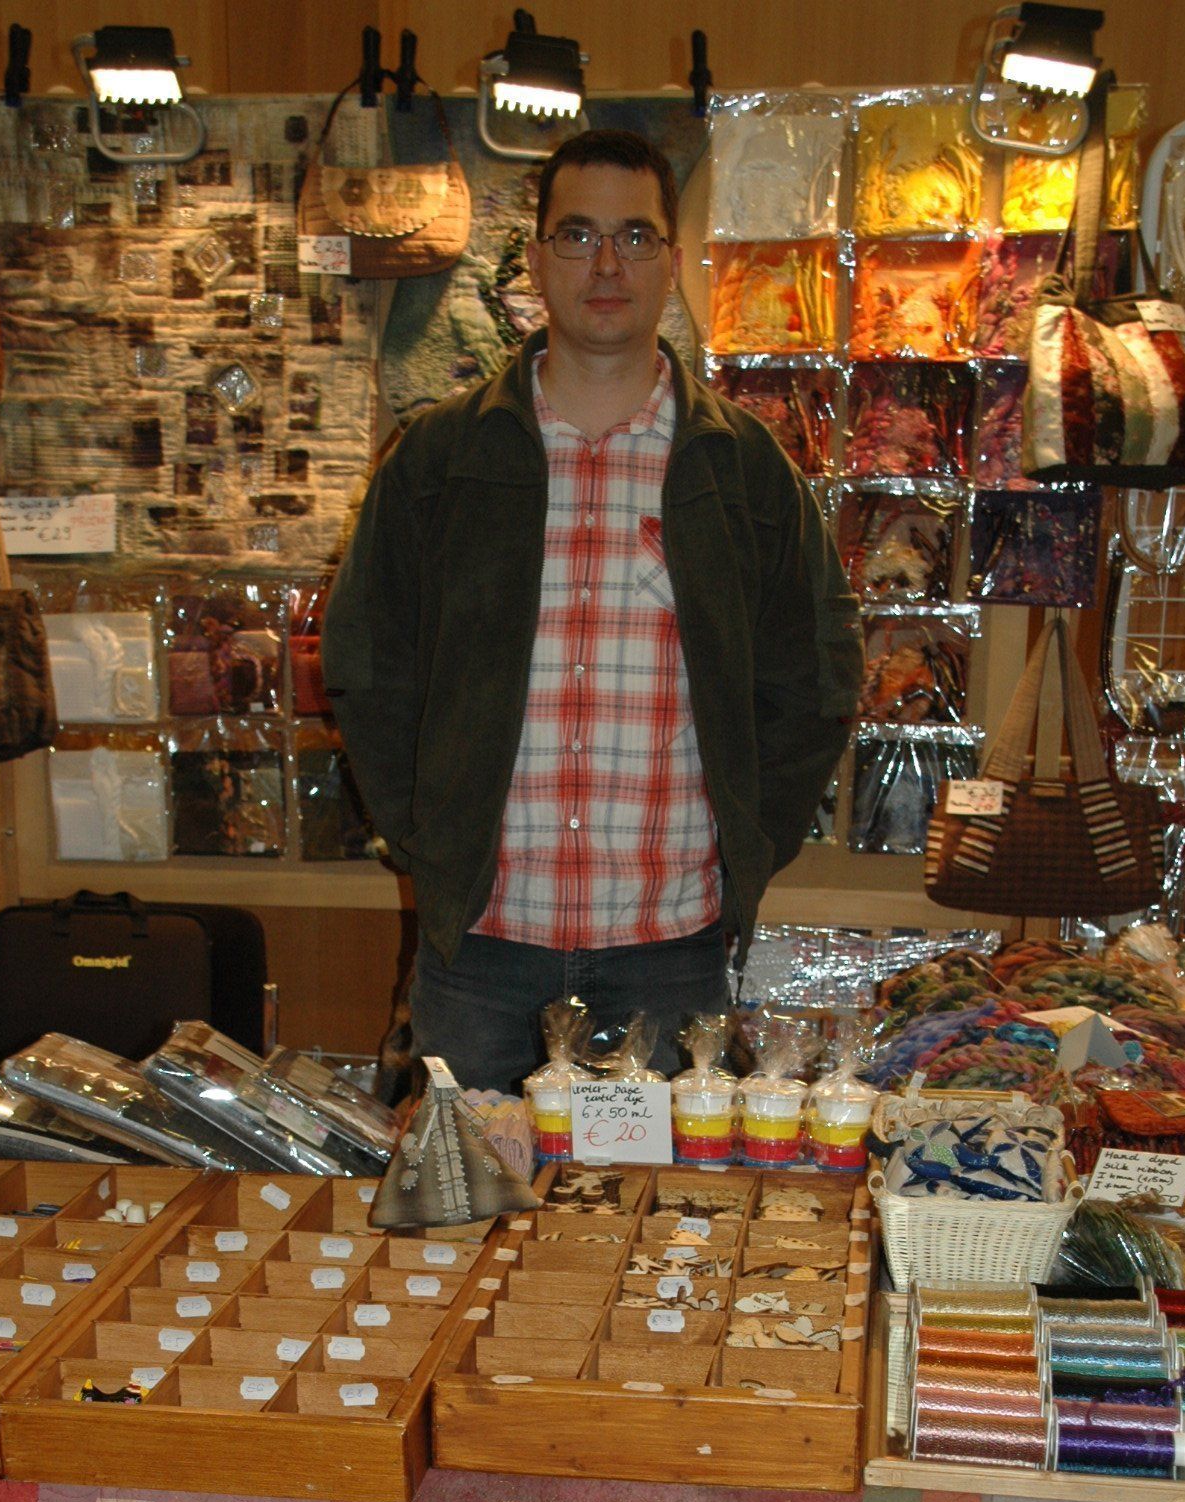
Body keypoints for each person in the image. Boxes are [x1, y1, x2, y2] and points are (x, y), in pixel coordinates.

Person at [322, 126, 861, 1092]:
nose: (606, 265)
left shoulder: (742, 469)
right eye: (577, 236)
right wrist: (429, 839)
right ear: (535, 261)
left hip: (671, 948)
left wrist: (746, 840)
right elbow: (367, 665)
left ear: (672, 262)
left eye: (635, 237)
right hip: (480, 947)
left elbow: (815, 678)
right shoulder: (440, 459)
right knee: (468, 1190)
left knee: (658, 1198)